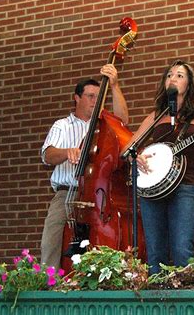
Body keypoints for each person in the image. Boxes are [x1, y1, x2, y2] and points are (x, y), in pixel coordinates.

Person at [129, 59, 194, 274]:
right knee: (155, 254)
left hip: (186, 187)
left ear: (190, 83)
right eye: (169, 75)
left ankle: (183, 303)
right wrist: (136, 157)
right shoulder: (156, 116)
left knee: (181, 250)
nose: (173, 78)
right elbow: (128, 148)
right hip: (152, 191)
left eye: (180, 75)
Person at [40, 64, 129, 269]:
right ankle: (48, 283)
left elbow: (123, 120)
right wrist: (67, 152)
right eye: (90, 96)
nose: (94, 101)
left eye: (98, 97)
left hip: (98, 196)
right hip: (68, 194)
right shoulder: (62, 125)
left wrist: (114, 86)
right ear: (77, 98)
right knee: (51, 239)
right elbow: (47, 155)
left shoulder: (104, 124)